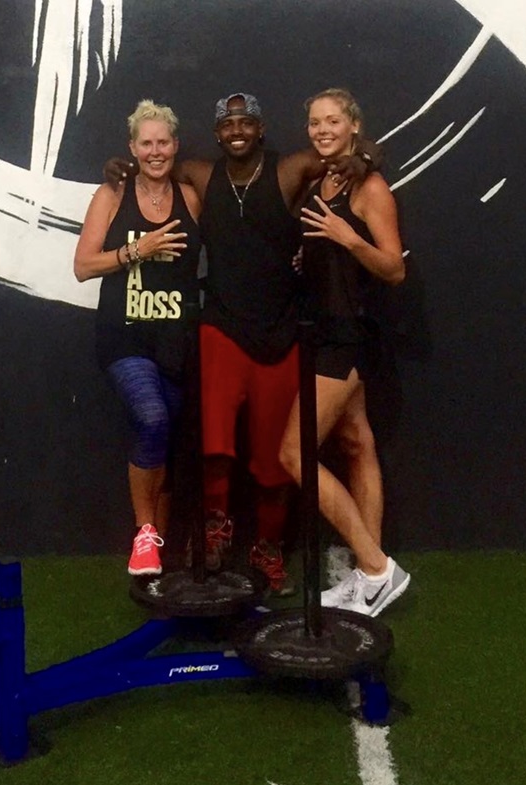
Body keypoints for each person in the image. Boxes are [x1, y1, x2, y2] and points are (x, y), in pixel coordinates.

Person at [103, 92, 382, 596]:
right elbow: (152, 167)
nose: (236, 129)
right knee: (214, 439)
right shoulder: (200, 174)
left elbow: (344, 156)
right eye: (227, 122)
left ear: (260, 128)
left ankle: (269, 549)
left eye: (246, 122)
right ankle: (213, 532)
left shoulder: (289, 168)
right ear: (216, 134)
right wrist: (120, 170)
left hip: (280, 330)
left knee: (276, 455)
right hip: (222, 328)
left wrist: (366, 157)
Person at [279, 88, 411, 617]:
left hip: (347, 337)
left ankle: (378, 568)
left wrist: (345, 237)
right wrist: (308, 255)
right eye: (314, 122)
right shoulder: (322, 178)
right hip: (325, 330)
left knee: (293, 454)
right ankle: (367, 579)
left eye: (332, 121)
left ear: (354, 125)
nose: (322, 130)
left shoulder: (370, 186)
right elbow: (326, 249)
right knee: (357, 444)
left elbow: (394, 268)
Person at [74, 99, 202, 576]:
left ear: (175, 145)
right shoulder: (112, 195)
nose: (154, 151)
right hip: (124, 338)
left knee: (166, 436)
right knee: (151, 420)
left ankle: (158, 553)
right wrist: (136, 250)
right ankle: (144, 533)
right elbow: (84, 266)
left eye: (162, 142)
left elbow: (234, 242)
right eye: (145, 143)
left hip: (175, 341)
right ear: (132, 147)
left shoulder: (190, 197)